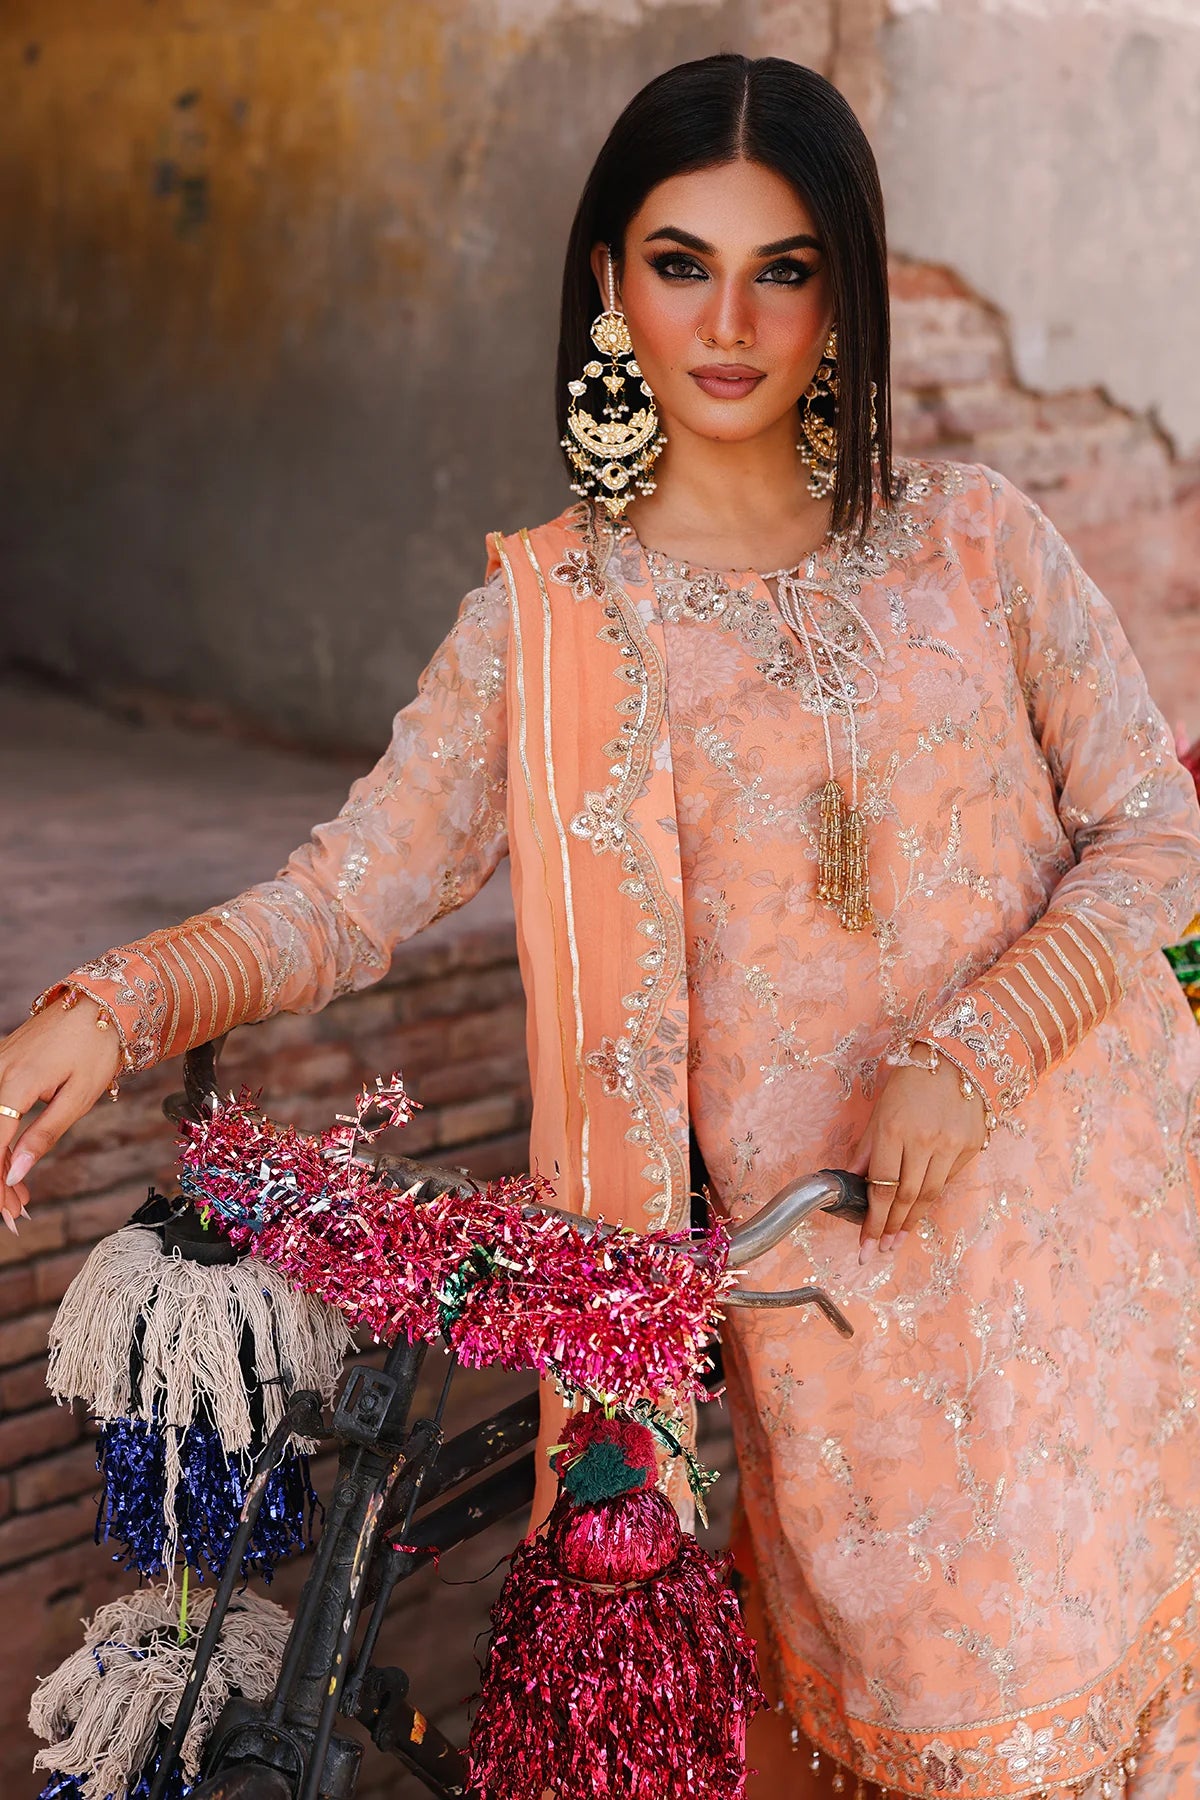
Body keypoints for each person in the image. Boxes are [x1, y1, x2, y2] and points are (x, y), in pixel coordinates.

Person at [3, 52, 1199, 1800]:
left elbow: (1155, 826)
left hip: (1094, 1217)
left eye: (785, 269)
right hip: (835, 1281)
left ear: (845, 292)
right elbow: (351, 894)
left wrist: (981, 1047)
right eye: (681, 263)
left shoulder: (975, 541)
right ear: (608, 280)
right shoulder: (556, 617)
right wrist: (113, 1008)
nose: (731, 323)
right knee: (940, 1733)